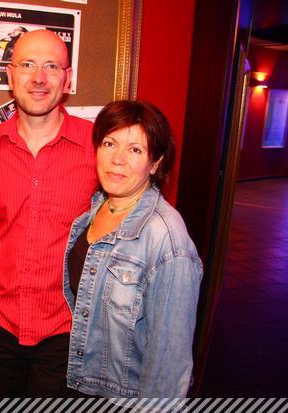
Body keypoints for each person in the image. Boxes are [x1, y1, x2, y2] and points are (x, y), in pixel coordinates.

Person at [0, 29, 98, 397]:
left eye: (51, 67)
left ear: (67, 78)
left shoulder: (98, 145)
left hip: (67, 328)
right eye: (27, 65)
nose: (39, 78)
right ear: (10, 76)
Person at [63, 100, 202, 397]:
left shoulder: (168, 241)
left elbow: (169, 364)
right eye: (109, 143)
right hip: (84, 385)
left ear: (155, 163)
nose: (117, 159)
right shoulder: (96, 208)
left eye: (135, 150)